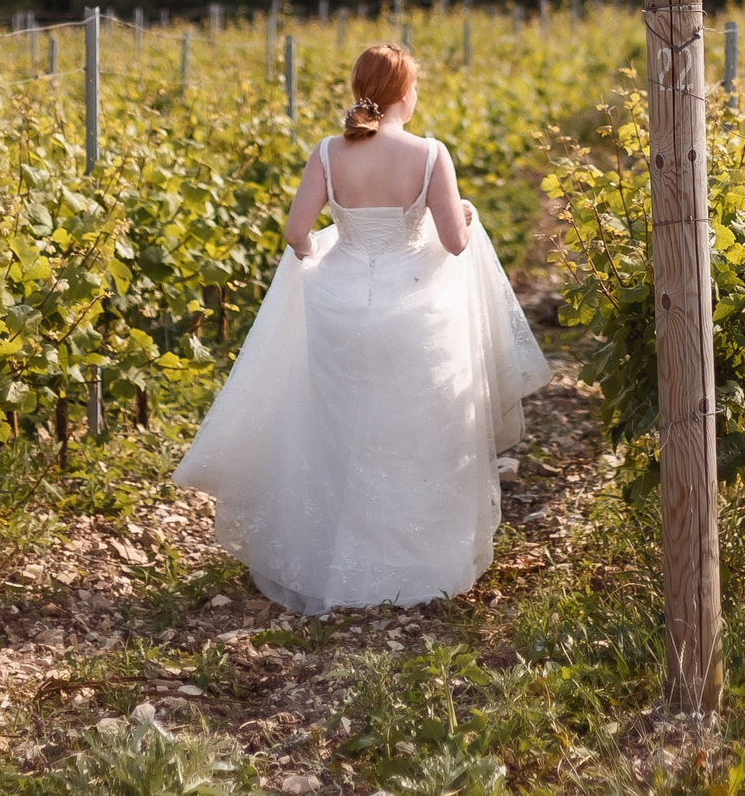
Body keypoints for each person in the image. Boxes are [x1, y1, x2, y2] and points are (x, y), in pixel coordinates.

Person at [173, 42, 550, 614]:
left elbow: (297, 233)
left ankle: (333, 562)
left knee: (337, 430)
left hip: (341, 308)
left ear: (360, 89)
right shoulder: (429, 155)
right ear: (404, 93)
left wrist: (323, 259)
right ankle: (417, 563)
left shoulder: (328, 152)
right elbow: (453, 243)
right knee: (415, 430)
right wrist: (468, 215)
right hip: (415, 314)